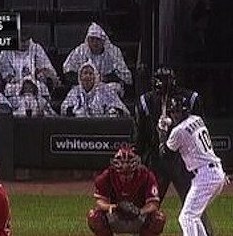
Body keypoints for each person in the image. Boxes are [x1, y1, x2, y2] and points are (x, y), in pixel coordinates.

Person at [135, 66, 213, 235]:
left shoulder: (190, 98)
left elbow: (201, 133)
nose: (163, 85)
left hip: (183, 160)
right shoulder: (146, 100)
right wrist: (139, 155)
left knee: (193, 205)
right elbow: (140, 134)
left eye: (166, 81)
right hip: (157, 159)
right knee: (149, 202)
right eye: (159, 81)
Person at [158, 96, 228, 236]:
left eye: (176, 112)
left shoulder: (177, 132)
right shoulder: (197, 119)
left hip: (205, 176)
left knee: (187, 217)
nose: (175, 114)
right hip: (216, 173)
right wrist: (170, 123)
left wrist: (162, 131)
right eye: (174, 112)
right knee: (194, 216)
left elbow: (165, 153)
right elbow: (183, 126)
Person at [87, 146, 166, 236]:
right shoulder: (106, 176)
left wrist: (140, 211)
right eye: (121, 174)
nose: (125, 177)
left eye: (129, 174)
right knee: (94, 216)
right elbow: (100, 201)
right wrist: (111, 207)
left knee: (158, 218)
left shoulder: (147, 175)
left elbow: (154, 204)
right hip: (115, 215)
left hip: (140, 216)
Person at [63, 22, 132, 96]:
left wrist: (105, 78)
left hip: (106, 84)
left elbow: (123, 75)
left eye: (98, 39)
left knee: (114, 87)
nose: (95, 43)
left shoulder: (114, 52)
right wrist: (85, 79)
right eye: (92, 39)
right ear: (88, 40)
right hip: (85, 85)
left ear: (103, 40)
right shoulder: (80, 51)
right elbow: (68, 72)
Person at [61, 60, 130, 117]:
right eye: (85, 73)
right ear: (80, 77)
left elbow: (119, 107)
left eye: (90, 74)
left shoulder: (106, 90)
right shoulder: (75, 91)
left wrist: (113, 111)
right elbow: (65, 107)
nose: (88, 76)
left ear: (95, 77)